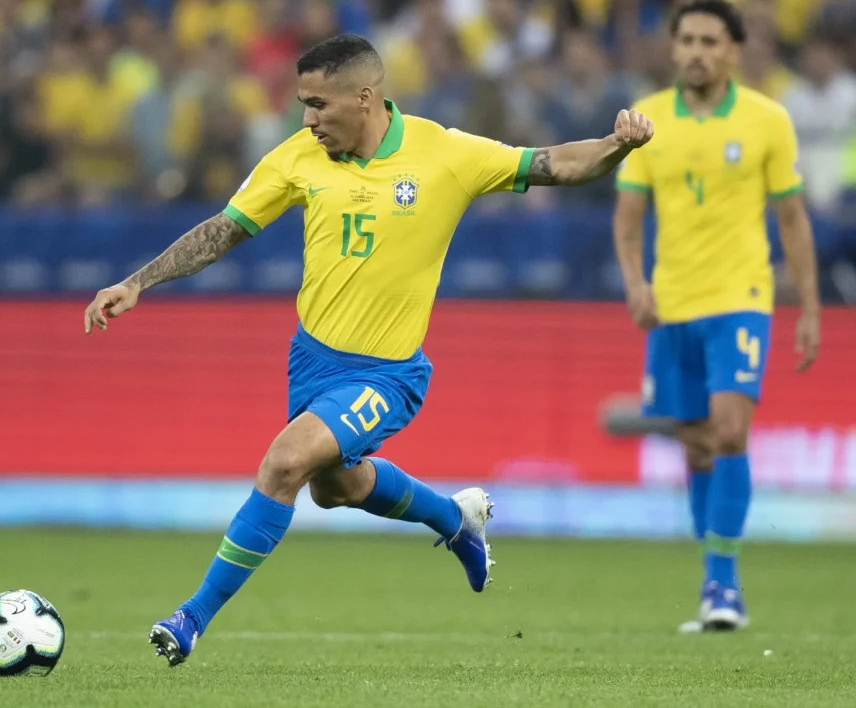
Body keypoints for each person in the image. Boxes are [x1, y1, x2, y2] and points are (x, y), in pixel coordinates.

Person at [85, 34, 654, 666]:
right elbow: (223, 230)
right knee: (334, 488)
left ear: (364, 96)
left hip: (387, 374)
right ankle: (455, 518)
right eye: (302, 104)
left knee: (283, 465)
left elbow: (552, 164)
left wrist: (615, 145)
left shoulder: (444, 152)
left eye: (318, 104)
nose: (307, 119)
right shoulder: (297, 158)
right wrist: (138, 281)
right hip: (312, 362)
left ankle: (191, 618)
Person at [613, 0, 821, 633]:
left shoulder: (767, 121)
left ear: (733, 51)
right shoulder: (647, 118)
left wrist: (809, 307)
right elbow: (628, 215)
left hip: (741, 299)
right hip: (672, 304)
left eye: (711, 40)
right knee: (699, 446)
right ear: (673, 48)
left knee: (730, 433)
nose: (698, 51)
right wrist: (635, 284)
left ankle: (723, 586)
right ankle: (713, 580)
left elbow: (791, 218)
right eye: (688, 40)